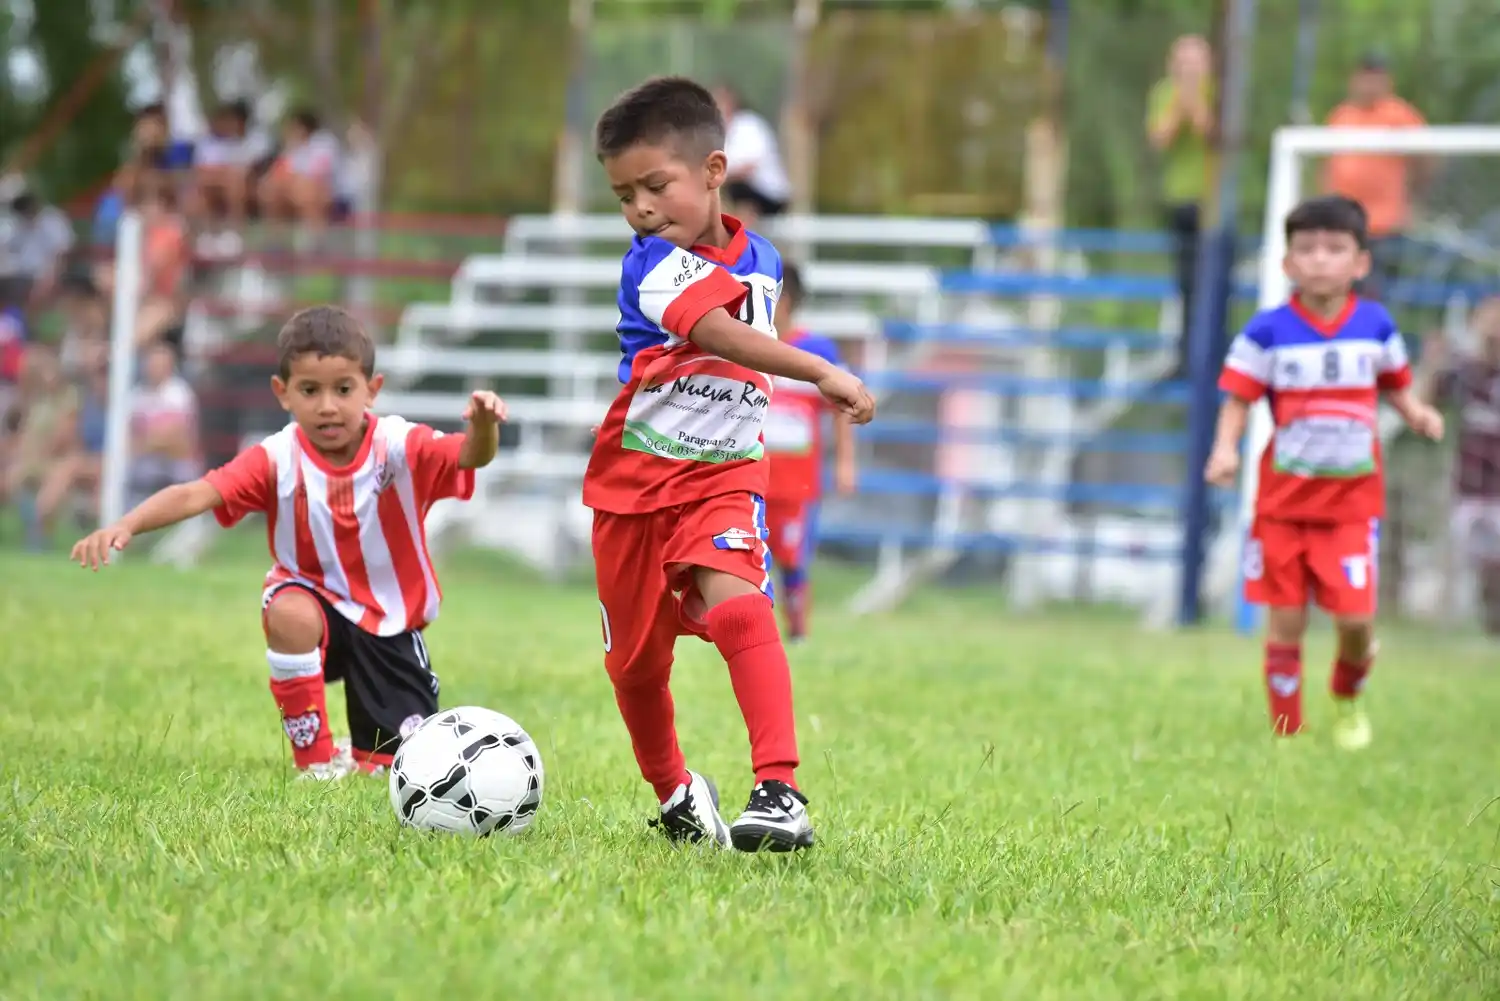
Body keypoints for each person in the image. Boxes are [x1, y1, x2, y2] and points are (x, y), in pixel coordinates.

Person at [588, 76, 875, 851]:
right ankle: (677, 790)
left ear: (715, 171)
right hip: (633, 487)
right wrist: (818, 369)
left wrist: (812, 369)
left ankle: (779, 788)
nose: (641, 210)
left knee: (742, 602)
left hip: (724, 476)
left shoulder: (767, 260)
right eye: (623, 196)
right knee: (635, 669)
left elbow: (741, 346)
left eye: (655, 186)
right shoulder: (649, 263)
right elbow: (718, 334)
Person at [70, 306, 508, 780]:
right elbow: (197, 492)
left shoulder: (399, 444)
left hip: (389, 621)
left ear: (372, 390)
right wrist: (127, 525)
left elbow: (470, 456)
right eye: (309, 390)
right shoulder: (276, 458)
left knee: (395, 768)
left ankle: (361, 754)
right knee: (288, 612)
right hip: (311, 601)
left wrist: (483, 426)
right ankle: (315, 763)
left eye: (343, 389)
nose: (327, 406)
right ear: (283, 393)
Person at [1205, 195, 1443, 749]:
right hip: (1283, 507)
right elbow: (1237, 399)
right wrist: (1225, 450)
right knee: (1286, 621)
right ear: (1287, 263)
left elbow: (1395, 385)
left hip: (1352, 509)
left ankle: (1347, 693)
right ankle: (1287, 732)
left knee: (1356, 624)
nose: (1319, 260)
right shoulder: (1266, 333)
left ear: (1360, 263)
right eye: (1306, 248)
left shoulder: (1376, 326)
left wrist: (1417, 413)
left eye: (1334, 248)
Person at [761, 262, 857, 642]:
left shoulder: (816, 351)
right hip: (749, 474)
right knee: (748, 558)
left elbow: (842, 408)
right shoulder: (743, 345)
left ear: (787, 299)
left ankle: (797, 629)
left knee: (793, 559)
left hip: (797, 483)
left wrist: (847, 463)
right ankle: (755, 632)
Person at [1417, 297, 1500, 634]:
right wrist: (1431, 362)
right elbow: (1422, 405)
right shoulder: (1463, 372)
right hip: (1471, 487)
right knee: (1479, 564)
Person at [1321, 53, 1427, 299]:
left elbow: (1425, 158)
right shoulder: (1341, 116)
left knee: (1374, 295)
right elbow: (1326, 165)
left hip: (1383, 226)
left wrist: (1413, 199)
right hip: (1343, 224)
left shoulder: (1400, 115)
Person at [1145, 34, 1215, 375]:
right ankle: (1185, 355)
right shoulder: (1163, 93)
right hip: (1179, 199)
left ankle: (1210, 354)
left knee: (1210, 280)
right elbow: (1160, 138)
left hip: (1211, 202)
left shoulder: (1218, 91)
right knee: (1184, 281)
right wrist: (1180, 101)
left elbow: (1210, 133)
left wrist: (1195, 101)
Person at [711, 84, 792, 231]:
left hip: (770, 195)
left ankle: (740, 233)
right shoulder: (722, 134)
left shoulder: (749, 125)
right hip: (744, 192)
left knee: (732, 187)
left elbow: (749, 168)